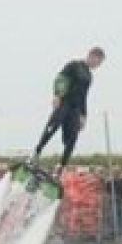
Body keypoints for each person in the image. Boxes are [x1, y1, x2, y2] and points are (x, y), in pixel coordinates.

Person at [30, 47, 106, 175]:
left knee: (72, 138)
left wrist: (84, 115)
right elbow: (61, 78)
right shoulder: (74, 65)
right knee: (53, 126)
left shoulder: (89, 76)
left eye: (99, 65)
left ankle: (62, 166)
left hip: (75, 109)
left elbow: (84, 96)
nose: (97, 66)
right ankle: (37, 152)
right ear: (92, 56)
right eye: (97, 62)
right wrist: (57, 95)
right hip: (64, 102)